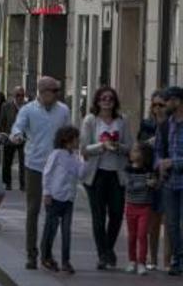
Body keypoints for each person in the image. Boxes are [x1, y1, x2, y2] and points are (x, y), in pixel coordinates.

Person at [10, 76, 71, 270]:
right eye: (54, 91)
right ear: (43, 91)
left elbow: (68, 134)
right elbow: (17, 127)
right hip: (34, 166)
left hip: (56, 168)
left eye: (57, 91)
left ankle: (46, 253)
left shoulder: (63, 111)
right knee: (33, 209)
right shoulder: (28, 110)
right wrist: (17, 135)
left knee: (53, 212)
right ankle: (31, 254)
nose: (57, 94)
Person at [80, 86, 131, 270]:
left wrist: (118, 147)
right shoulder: (90, 120)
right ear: (97, 101)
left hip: (117, 174)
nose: (107, 101)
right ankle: (103, 254)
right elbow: (84, 149)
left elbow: (129, 148)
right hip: (96, 174)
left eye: (110, 98)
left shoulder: (122, 120)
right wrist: (102, 146)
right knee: (99, 216)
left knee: (117, 214)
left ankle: (108, 249)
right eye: (103, 98)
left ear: (115, 101)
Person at [40, 126, 85, 275]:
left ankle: (66, 261)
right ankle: (46, 256)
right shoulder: (56, 154)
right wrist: (46, 193)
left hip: (68, 199)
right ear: (67, 140)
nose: (78, 141)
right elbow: (47, 173)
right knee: (51, 228)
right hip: (55, 197)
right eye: (76, 138)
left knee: (66, 231)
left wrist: (85, 160)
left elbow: (81, 174)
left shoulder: (75, 156)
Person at [153, 86, 183, 276]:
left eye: (167, 101)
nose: (163, 106)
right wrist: (160, 163)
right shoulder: (164, 125)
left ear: (177, 101)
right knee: (171, 224)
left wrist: (175, 162)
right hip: (169, 182)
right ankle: (177, 260)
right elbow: (157, 150)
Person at [142, 90, 172, 271]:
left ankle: (168, 261)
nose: (158, 108)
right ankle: (152, 258)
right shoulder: (147, 125)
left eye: (161, 105)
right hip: (151, 177)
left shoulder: (174, 124)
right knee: (153, 221)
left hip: (169, 176)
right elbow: (140, 147)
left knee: (170, 222)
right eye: (155, 105)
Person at [125, 142, 157, 275]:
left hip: (145, 207)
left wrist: (154, 183)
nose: (133, 153)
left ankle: (142, 262)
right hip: (131, 206)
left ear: (144, 154)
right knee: (132, 236)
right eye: (132, 151)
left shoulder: (149, 170)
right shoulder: (128, 169)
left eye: (136, 151)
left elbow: (154, 184)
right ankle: (132, 261)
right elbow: (130, 187)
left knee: (142, 235)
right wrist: (145, 183)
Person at [0, 86, 27, 191]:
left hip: (24, 138)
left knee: (23, 161)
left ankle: (23, 184)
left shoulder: (28, 107)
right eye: (18, 95)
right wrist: (3, 135)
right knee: (7, 161)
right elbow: (2, 122)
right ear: (14, 96)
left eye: (22, 95)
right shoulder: (6, 106)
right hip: (10, 137)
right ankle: (7, 183)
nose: (20, 97)